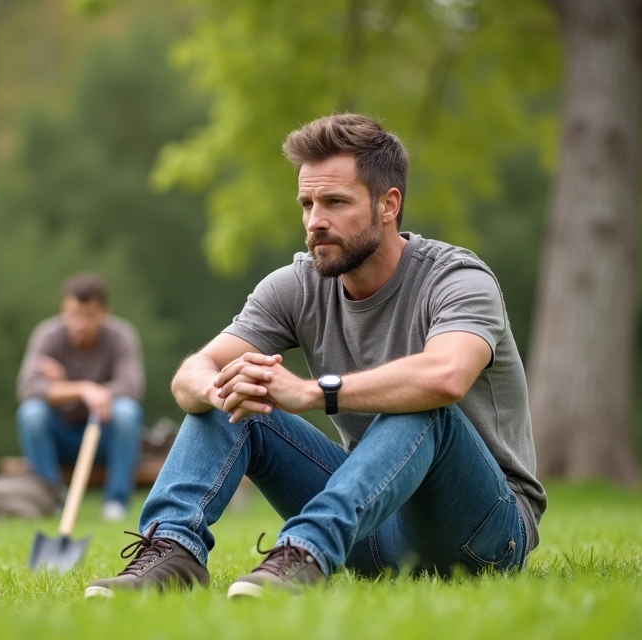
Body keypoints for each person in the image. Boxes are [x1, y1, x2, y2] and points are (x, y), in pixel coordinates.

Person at [84, 114, 545, 599]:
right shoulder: (297, 284)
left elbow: (447, 376)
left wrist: (310, 392)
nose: (314, 222)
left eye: (334, 202)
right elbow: (191, 375)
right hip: (370, 524)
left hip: (481, 530)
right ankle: (172, 553)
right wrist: (218, 388)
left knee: (426, 406)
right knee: (236, 390)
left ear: (388, 205)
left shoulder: (458, 279)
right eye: (306, 204)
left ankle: (305, 553)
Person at [16, 273, 145, 522]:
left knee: (127, 412)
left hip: (103, 437)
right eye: (73, 315)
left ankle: (115, 504)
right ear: (63, 310)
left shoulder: (121, 336)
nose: (79, 324)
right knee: (31, 413)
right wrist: (83, 389)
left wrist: (63, 387)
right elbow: (28, 388)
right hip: (59, 436)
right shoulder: (47, 335)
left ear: (104, 313)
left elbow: (131, 387)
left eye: (88, 316)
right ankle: (52, 500)